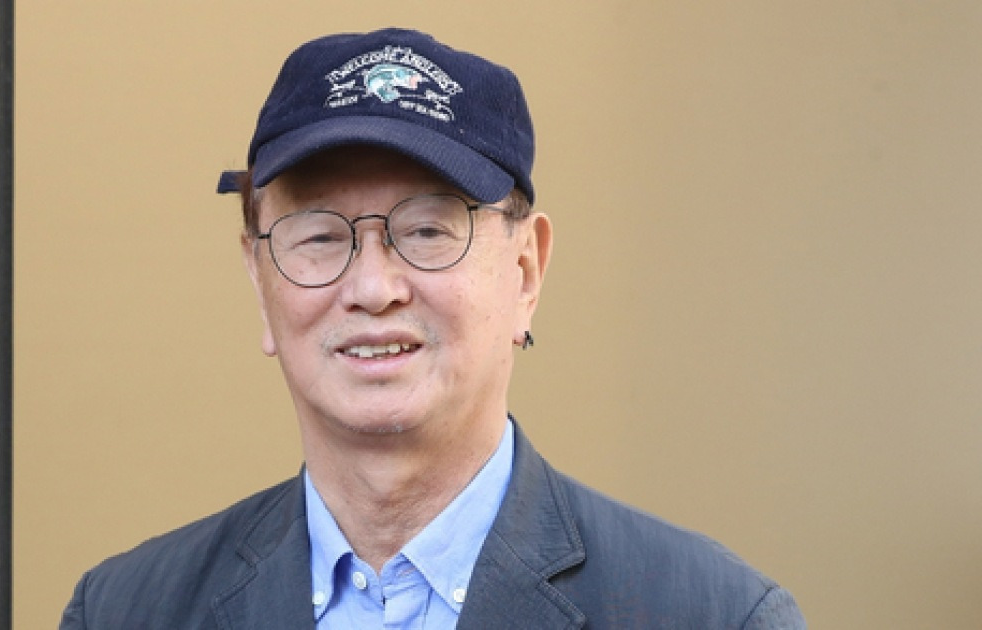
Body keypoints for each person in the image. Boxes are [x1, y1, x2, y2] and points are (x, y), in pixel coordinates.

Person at [59, 28, 805, 629]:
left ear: (525, 272)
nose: (373, 288)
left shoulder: (714, 615)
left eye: (426, 230)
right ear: (261, 280)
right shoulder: (125, 611)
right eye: (319, 236)